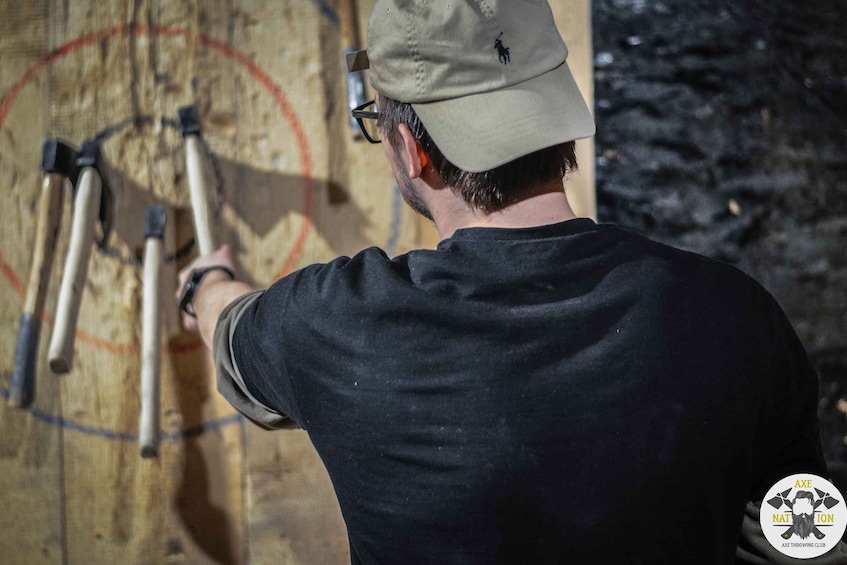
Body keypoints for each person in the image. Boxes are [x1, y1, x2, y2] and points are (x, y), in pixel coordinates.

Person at [176, 0, 840, 562]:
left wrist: (206, 283)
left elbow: (229, 327)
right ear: (554, 110)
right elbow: (805, 535)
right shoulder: (736, 315)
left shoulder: (329, 323)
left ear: (410, 148)